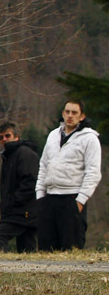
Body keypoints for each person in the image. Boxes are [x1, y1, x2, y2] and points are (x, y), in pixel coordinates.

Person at [36, 100, 103, 251]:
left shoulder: (89, 138)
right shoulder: (53, 135)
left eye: (74, 113)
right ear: (63, 114)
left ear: (82, 116)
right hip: (49, 198)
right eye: (67, 112)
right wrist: (40, 196)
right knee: (46, 250)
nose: (70, 116)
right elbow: (43, 165)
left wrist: (80, 201)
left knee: (70, 250)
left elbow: (93, 172)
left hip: (72, 198)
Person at [0, 121, 40, 252]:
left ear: (17, 136)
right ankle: (29, 271)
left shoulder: (24, 154)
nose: (4, 140)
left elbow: (31, 182)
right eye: (0, 137)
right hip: (22, 211)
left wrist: (13, 202)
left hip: (23, 211)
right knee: (26, 248)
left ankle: (2, 269)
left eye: (7, 136)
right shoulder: (9, 155)